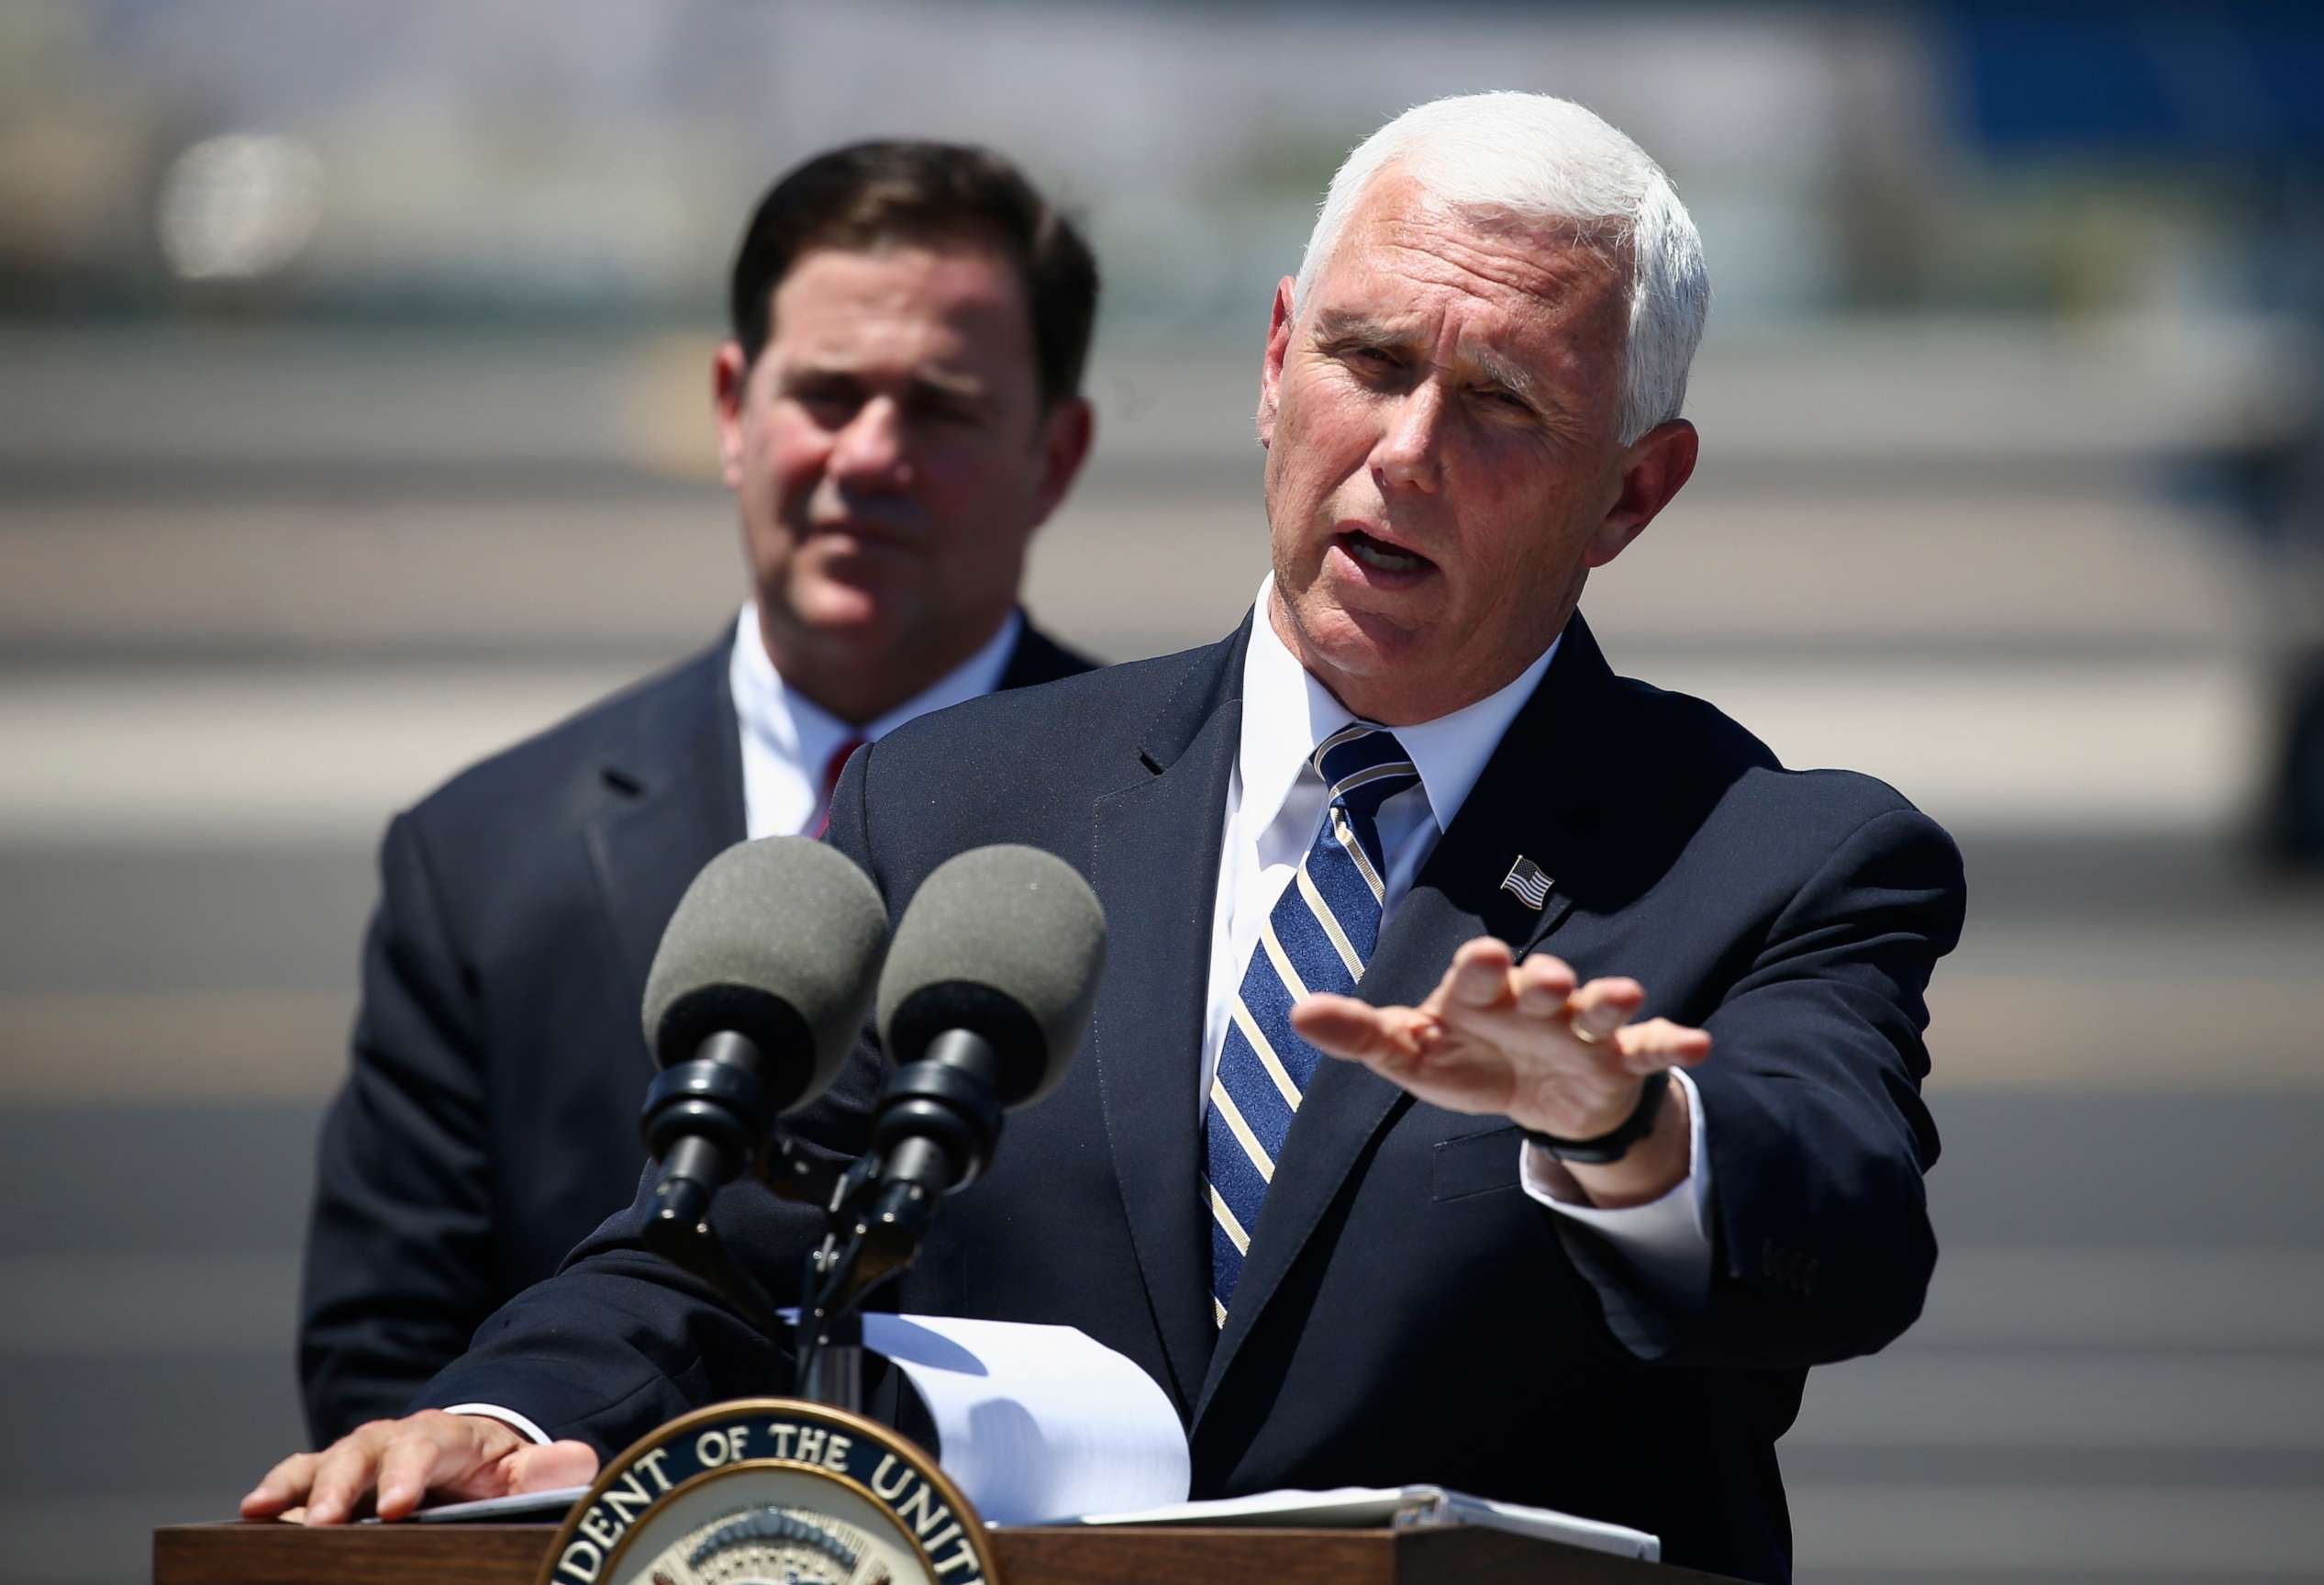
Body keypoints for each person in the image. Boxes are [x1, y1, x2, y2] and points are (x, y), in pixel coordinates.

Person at [254, 94, 1963, 1584]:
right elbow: (716, 1255)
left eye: (1505, 402)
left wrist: (1629, 1128)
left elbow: (1848, 1220)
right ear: (1277, 360)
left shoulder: (1775, 858)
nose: (1408, 450)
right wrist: (496, 1416)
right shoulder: (958, 805)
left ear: (1636, 491)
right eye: (1369, 362)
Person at [296, 140, 1102, 1445]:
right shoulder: (482, 857)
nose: (870, 455)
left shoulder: (1183, 829)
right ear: (732, 411)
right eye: (828, 395)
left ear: (1055, 458)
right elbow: (383, 1374)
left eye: (941, 407)